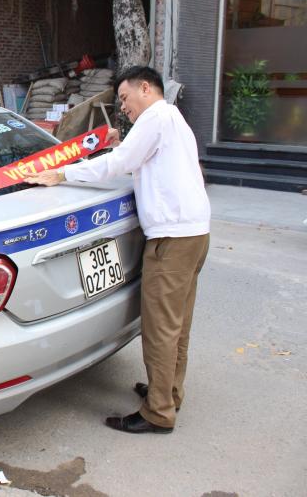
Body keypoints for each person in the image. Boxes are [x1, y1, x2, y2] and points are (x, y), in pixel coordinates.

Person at [24, 65, 211, 434]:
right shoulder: (172, 118)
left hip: (173, 239)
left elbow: (120, 164)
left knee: (160, 328)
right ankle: (168, 392)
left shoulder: (155, 116)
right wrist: (118, 145)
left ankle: (158, 413)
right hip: (194, 233)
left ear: (146, 88)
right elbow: (136, 158)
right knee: (178, 324)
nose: (122, 107)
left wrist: (63, 173)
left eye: (124, 98)